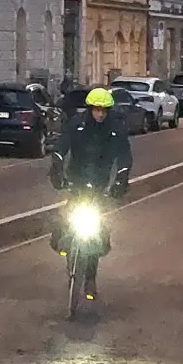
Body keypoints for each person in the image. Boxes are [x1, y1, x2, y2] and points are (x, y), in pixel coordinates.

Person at [49, 87, 133, 300]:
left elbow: (124, 158)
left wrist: (120, 183)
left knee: (97, 231)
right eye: (96, 110)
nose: (100, 114)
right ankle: (60, 240)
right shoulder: (76, 124)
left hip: (99, 185)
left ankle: (90, 279)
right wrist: (57, 171)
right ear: (89, 109)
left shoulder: (115, 130)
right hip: (76, 181)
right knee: (65, 216)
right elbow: (60, 148)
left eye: (104, 111)